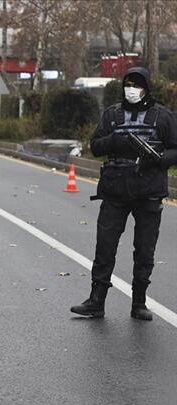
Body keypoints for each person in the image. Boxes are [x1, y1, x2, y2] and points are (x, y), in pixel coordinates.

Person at [71, 67, 177, 320]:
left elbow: (175, 149)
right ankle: (96, 301)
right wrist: (114, 142)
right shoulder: (112, 114)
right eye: (128, 83)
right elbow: (95, 146)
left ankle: (139, 303)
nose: (131, 88)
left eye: (137, 84)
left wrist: (158, 160)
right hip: (115, 192)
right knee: (104, 248)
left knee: (144, 250)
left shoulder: (162, 116)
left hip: (148, 192)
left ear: (146, 87)